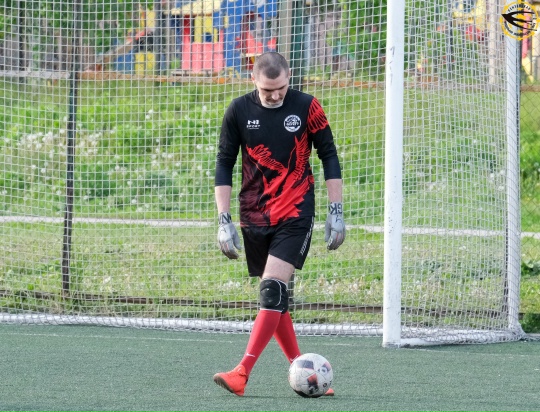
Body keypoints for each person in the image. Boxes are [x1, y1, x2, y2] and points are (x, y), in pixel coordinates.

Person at [212, 51, 345, 397]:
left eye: (281, 88)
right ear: (253, 81)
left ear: (289, 79)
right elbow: (224, 163)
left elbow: (329, 155)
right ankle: (305, 372)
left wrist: (336, 210)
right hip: (254, 215)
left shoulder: (307, 106)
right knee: (276, 298)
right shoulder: (238, 110)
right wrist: (224, 219)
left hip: (296, 212)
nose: (275, 96)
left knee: (272, 289)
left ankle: (241, 372)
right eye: (267, 90)